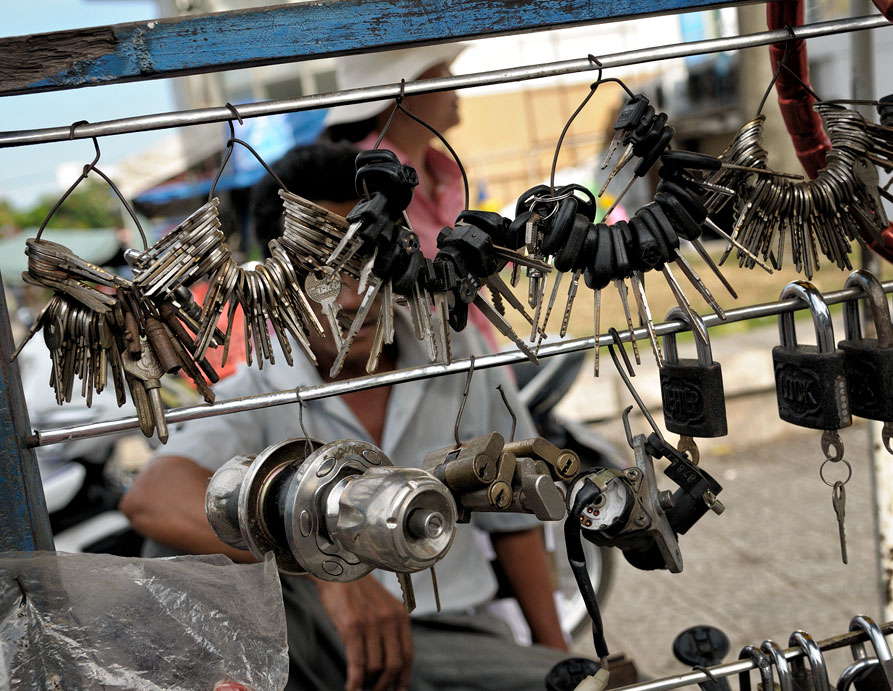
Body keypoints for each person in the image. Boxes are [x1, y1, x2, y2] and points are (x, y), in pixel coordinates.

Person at [120, 140, 570, 691]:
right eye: (321, 274)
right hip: (330, 644)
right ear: (277, 280)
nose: (352, 299)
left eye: (366, 265)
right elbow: (152, 495)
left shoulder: (460, 361)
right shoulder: (262, 388)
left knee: (574, 681)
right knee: (173, 547)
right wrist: (323, 570)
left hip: (454, 637)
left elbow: (516, 521)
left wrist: (557, 655)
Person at [322, 45, 500, 348]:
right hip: (417, 374)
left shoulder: (444, 172)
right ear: (405, 91)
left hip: (480, 360)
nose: (454, 84)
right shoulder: (351, 184)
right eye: (442, 71)